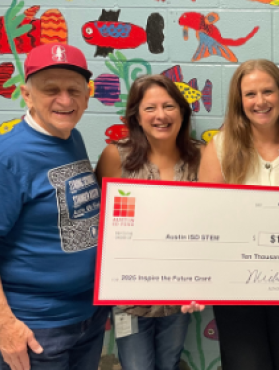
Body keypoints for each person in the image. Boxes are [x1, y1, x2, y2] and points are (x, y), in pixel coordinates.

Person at [0, 44, 108, 370]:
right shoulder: (4, 158)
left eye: (74, 90)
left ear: (87, 96)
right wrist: (5, 326)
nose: (65, 100)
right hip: (36, 326)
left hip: (85, 315)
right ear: (27, 95)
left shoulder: (71, 137)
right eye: (51, 90)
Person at [197, 59, 279, 370]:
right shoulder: (219, 148)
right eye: (250, 94)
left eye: (268, 91)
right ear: (239, 102)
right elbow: (204, 218)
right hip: (236, 287)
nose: (260, 101)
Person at [94, 74, 205, 370]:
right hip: (130, 298)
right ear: (136, 117)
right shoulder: (115, 157)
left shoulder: (202, 157)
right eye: (150, 108)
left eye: (169, 106)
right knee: (136, 366)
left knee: (169, 362)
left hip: (180, 294)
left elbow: (210, 223)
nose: (161, 116)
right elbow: (102, 225)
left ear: (182, 113)